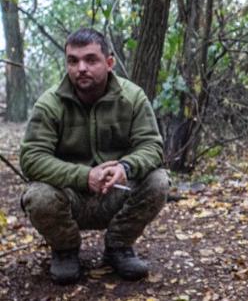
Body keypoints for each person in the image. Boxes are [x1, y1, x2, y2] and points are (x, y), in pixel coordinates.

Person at [19, 28, 168, 285]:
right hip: (69, 197)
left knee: (158, 180)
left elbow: (152, 146)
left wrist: (126, 167)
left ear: (109, 63)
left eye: (90, 60)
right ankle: (65, 250)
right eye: (73, 61)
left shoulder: (132, 98)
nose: (81, 68)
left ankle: (119, 246)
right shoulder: (50, 103)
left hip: (116, 192)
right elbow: (31, 158)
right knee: (38, 195)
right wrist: (85, 176)